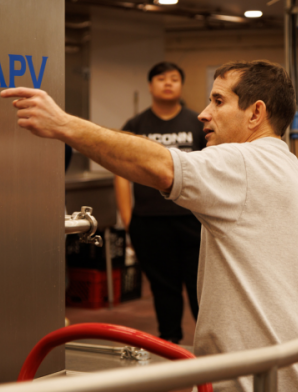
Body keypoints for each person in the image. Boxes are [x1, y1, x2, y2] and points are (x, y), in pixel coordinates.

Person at [0, 60, 298, 391]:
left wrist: (64, 125)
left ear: (255, 113)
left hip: (263, 382)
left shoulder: (245, 161)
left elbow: (161, 166)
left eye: (218, 101)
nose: (204, 113)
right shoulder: (297, 175)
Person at [115, 62, 205, 344]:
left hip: (194, 221)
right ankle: (170, 345)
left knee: (201, 288)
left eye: (175, 79)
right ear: (150, 85)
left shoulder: (198, 123)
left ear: (181, 85)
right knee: (163, 289)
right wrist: (129, 220)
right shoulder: (136, 126)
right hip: (150, 223)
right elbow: (121, 175)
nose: (168, 83)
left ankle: (212, 349)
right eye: (161, 78)